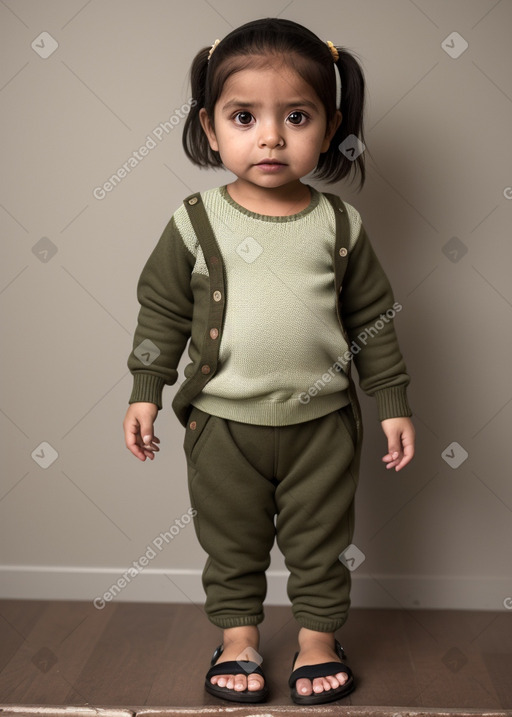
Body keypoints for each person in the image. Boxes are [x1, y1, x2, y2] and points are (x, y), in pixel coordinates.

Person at [123, 17, 415, 706]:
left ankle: (318, 639)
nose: (272, 136)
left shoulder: (340, 225)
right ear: (211, 124)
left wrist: (394, 401)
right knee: (233, 542)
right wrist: (145, 388)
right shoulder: (195, 221)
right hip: (221, 426)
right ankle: (238, 637)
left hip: (322, 425)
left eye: (298, 116)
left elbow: (372, 319)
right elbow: (160, 312)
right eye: (246, 116)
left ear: (332, 123)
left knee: (321, 541)